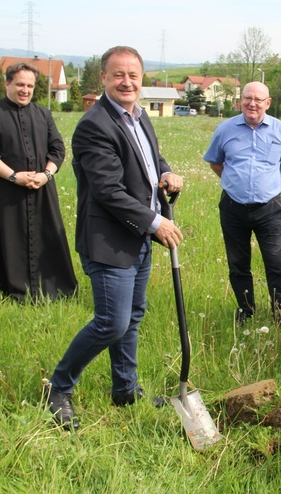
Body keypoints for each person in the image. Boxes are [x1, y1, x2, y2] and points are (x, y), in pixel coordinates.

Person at [47, 46, 184, 430]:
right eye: (118, 75)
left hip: (136, 238)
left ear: (142, 80)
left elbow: (149, 161)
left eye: (134, 75)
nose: (127, 82)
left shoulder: (139, 117)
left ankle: (125, 391)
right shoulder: (95, 125)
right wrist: (155, 222)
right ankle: (58, 388)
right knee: (112, 322)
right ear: (103, 79)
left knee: (132, 317)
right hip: (109, 240)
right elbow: (108, 189)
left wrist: (167, 172)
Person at [0, 62, 77, 302]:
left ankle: (52, 291)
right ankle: (10, 291)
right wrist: (14, 176)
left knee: (47, 238)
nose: (25, 90)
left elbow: (57, 149)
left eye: (29, 85)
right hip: (4, 191)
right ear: (8, 84)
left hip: (41, 189)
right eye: (20, 84)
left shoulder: (43, 114)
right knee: (7, 239)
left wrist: (45, 175)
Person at [204, 81, 281, 331]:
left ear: (268, 103)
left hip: (269, 208)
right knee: (238, 264)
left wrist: (264, 187)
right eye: (247, 98)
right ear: (240, 101)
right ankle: (246, 310)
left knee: (276, 265)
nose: (252, 103)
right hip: (233, 208)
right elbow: (216, 163)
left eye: (258, 99)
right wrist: (238, 185)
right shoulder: (225, 130)